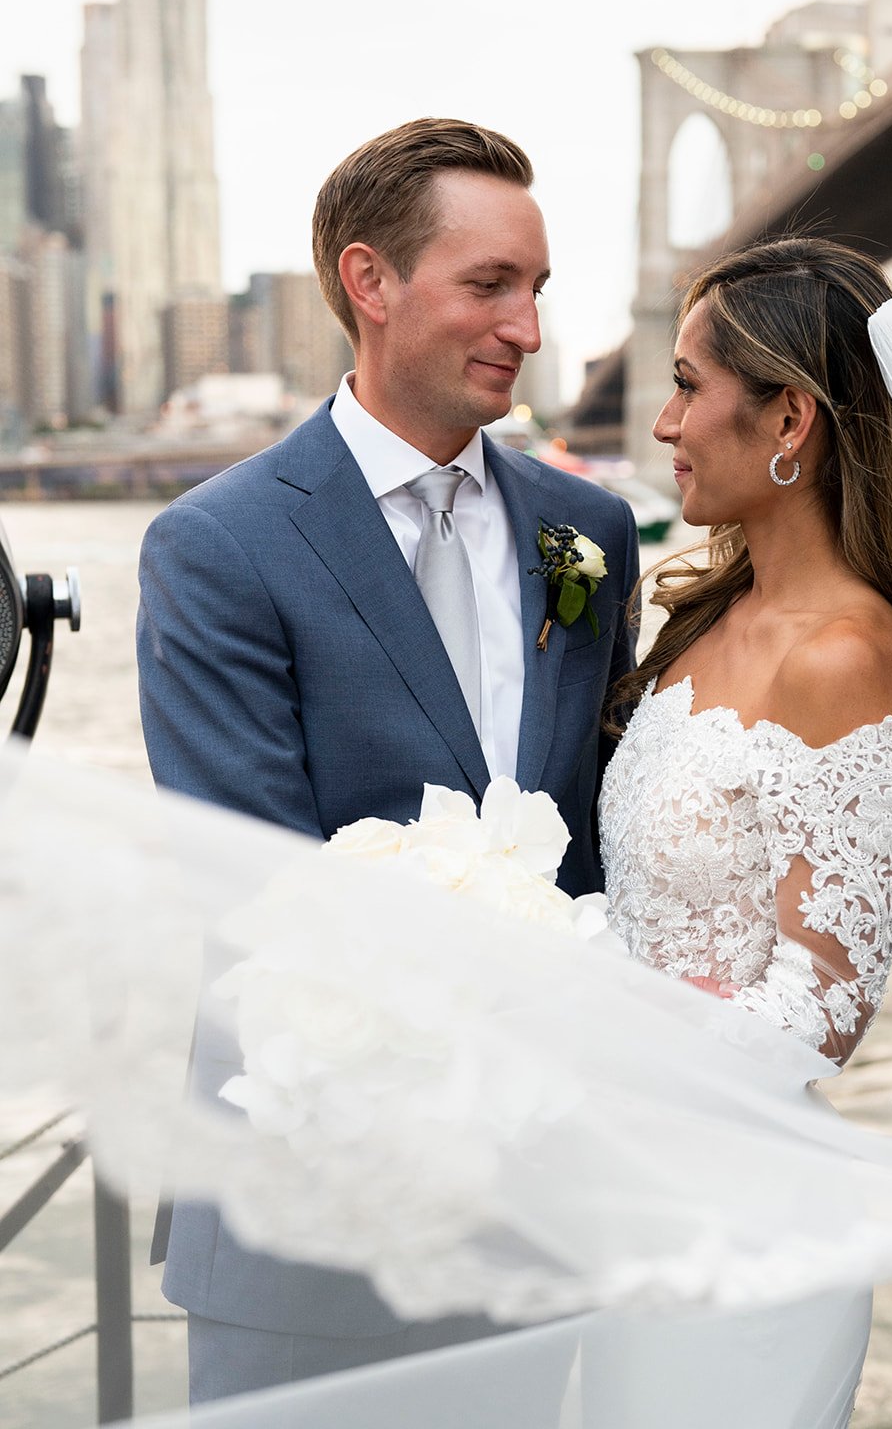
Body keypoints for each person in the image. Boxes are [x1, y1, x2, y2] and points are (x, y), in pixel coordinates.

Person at [136, 116, 640, 1404]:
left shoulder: (584, 532)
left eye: (534, 289)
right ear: (369, 282)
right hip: (307, 1229)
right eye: (489, 285)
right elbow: (249, 881)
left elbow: (590, 836)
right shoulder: (218, 546)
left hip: (537, 1232)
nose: (526, 326)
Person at [595, 236, 892, 1422]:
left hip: (739, 1225)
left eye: (685, 385)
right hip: (621, 1210)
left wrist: (596, 1073)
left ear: (788, 420)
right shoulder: (703, 620)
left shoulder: (848, 655)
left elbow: (820, 1003)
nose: (662, 424)